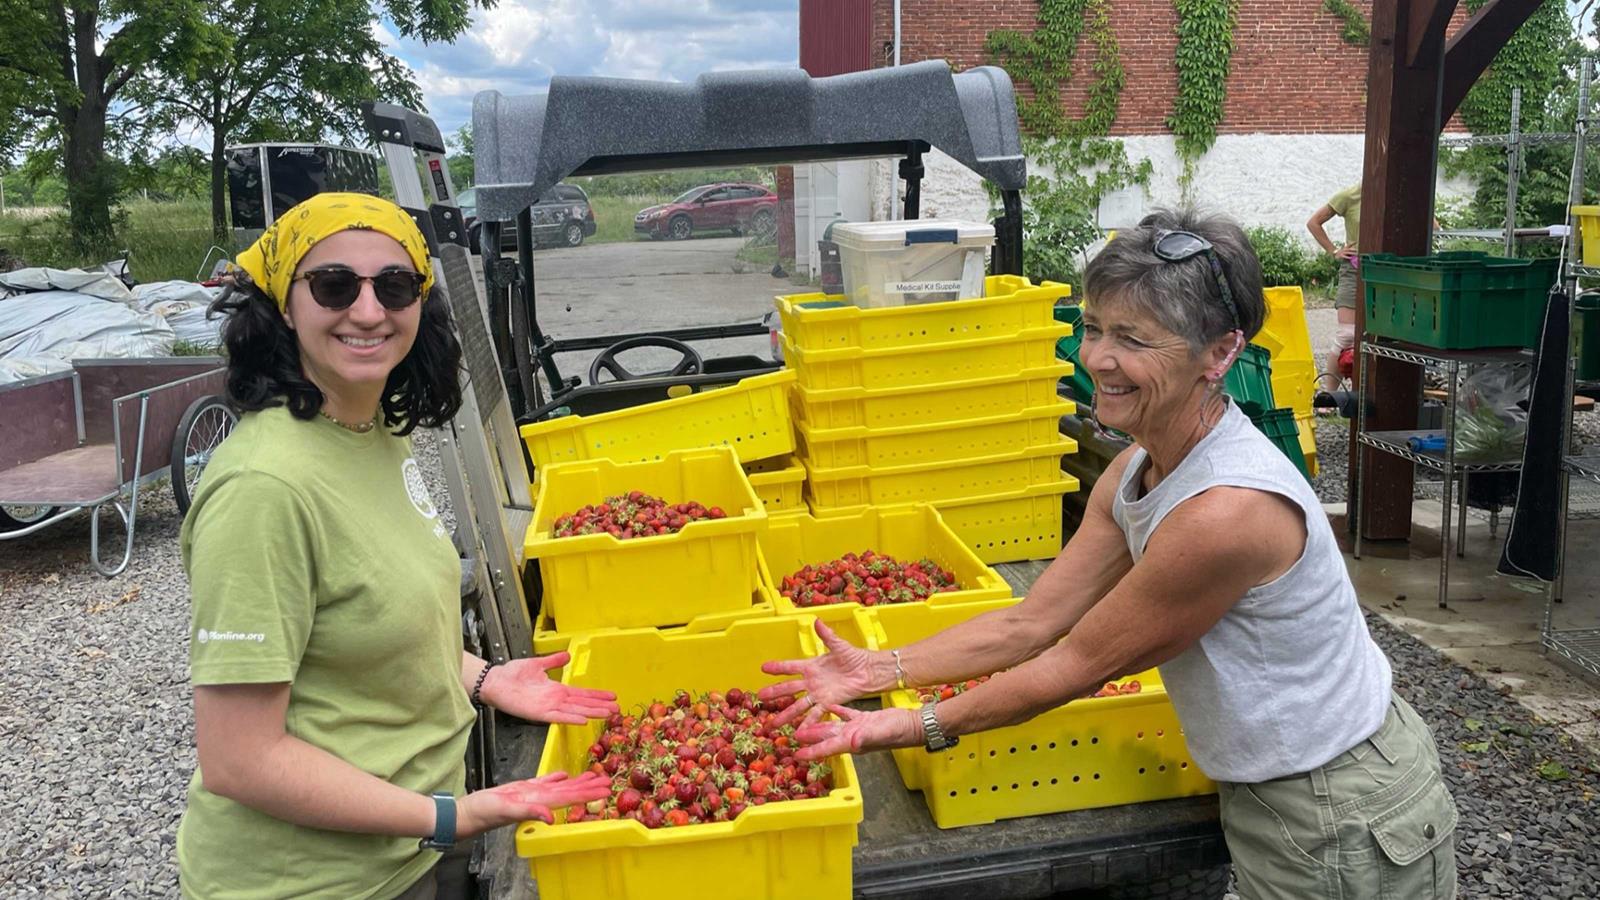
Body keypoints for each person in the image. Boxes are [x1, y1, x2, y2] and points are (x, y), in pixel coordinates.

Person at [762, 208, 1459, 899]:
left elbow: (1076, 663)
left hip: (1339, 804)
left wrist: (914, 723)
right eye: (1093, 327)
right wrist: (875, 668)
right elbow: (1031, 624)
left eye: (1133, 338)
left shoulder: (1225, 513)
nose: (1096, 357)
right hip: (1279, 788)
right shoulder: (1138, 469)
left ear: (1219, 352)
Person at [179, 193, 617, 899]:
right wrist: (450, 815)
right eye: (333, 285)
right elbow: (242, 759)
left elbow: (372, 620)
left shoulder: (371, 429)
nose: (368, 309)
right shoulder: (263, 488)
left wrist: (482, 678)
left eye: (394, 285)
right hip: (320, 881)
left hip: (406, 847)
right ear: (283, 304)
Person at [1308, 184, 1361, 396]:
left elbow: (1434, 227)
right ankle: (1328, 395)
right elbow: (1314, 223)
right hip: (1354, 269)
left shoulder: (1398, 192)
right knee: (1348, 334)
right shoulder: (1350, 195)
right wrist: (1334, 251)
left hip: (1387, 272)